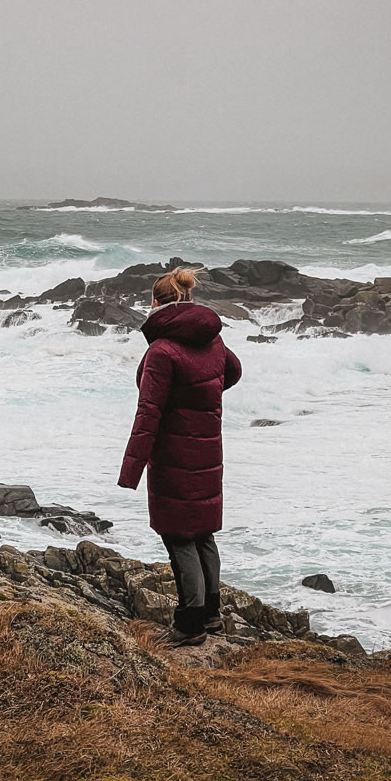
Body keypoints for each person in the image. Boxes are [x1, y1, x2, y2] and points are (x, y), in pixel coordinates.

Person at [118, 266, 242, 647]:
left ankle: (190, 625)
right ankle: (212, 615)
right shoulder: (212, 341)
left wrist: (131, 469)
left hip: (174, 457)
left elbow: (148, 415)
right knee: (202, 533)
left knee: (179, 538)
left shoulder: (162, 351)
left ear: (155, 303)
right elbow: (233, 372)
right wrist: (202, 397)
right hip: (208, 451)